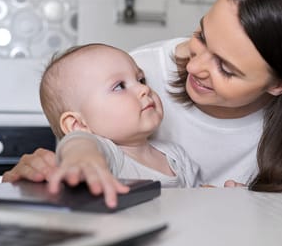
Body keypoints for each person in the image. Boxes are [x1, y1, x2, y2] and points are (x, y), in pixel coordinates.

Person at [2, 0, 282, 207]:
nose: (196, 66)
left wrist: (248, 212)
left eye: (226, 69)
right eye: (201, 36)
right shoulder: (135, 73)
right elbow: (81, 149)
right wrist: (41, 171)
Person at [38, 43, 201, 193]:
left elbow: (197, 202)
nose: (143, 89)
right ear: (78, 124)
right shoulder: (107, 156)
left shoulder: (177, 156)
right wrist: (81, 157)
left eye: (141, 79)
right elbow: (79, 142)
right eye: (119, 86)